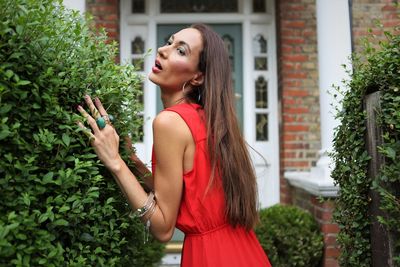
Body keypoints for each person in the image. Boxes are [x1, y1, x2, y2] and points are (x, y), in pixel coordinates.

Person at [77, 23, 271, 267]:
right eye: (169, 42)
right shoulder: (205, 118)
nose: (162, 50)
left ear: (197, 76)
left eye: (181, 50)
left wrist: (115, 162)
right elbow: (191, 194)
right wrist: (135, 164)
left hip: (210, 257)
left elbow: (162, 227)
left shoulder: (169, 122)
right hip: (244, 251)